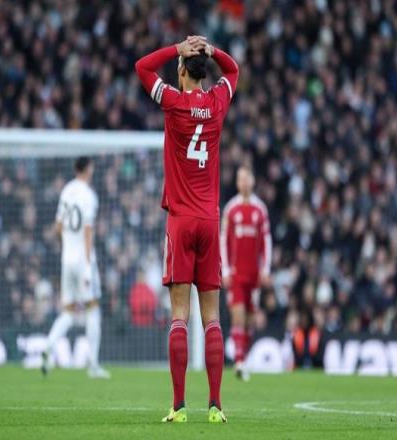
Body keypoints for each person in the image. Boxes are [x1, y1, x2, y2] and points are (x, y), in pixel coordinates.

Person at [135, 35, 239, 423]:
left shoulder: (173, 103)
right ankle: (215, 406)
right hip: (210, 222)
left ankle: (178, 407)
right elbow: (234, 71)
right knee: (212, 318)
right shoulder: (217, 103)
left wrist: (177, 48)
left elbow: (142, 67)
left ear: (181, 72)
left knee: (179, 315)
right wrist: (213, 52)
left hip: (180, 222)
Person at [41, 157, 110, 379]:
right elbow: (88, 230)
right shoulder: (88, 195)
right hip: (83, 260)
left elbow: (58, 227)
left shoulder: (66, 191)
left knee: (69, 311)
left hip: (67, 259)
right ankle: (93, 365)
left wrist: (67, 247)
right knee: (92, 308)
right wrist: (88, 265)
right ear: (88, 170)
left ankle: (48, 346)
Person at [221, 166, 272, 381]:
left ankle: (243, 357)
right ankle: (239, 361)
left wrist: (265, 269)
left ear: (252, 181)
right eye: (240, 178)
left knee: (250, 321)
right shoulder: (231, 209)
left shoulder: (260, 209)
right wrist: (225, 269)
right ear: (237, 183)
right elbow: (223, 240)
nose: (243, 182)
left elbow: (267, 241)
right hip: (236, 273)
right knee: (238, 315)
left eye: (246, 178)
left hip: (254, 274)